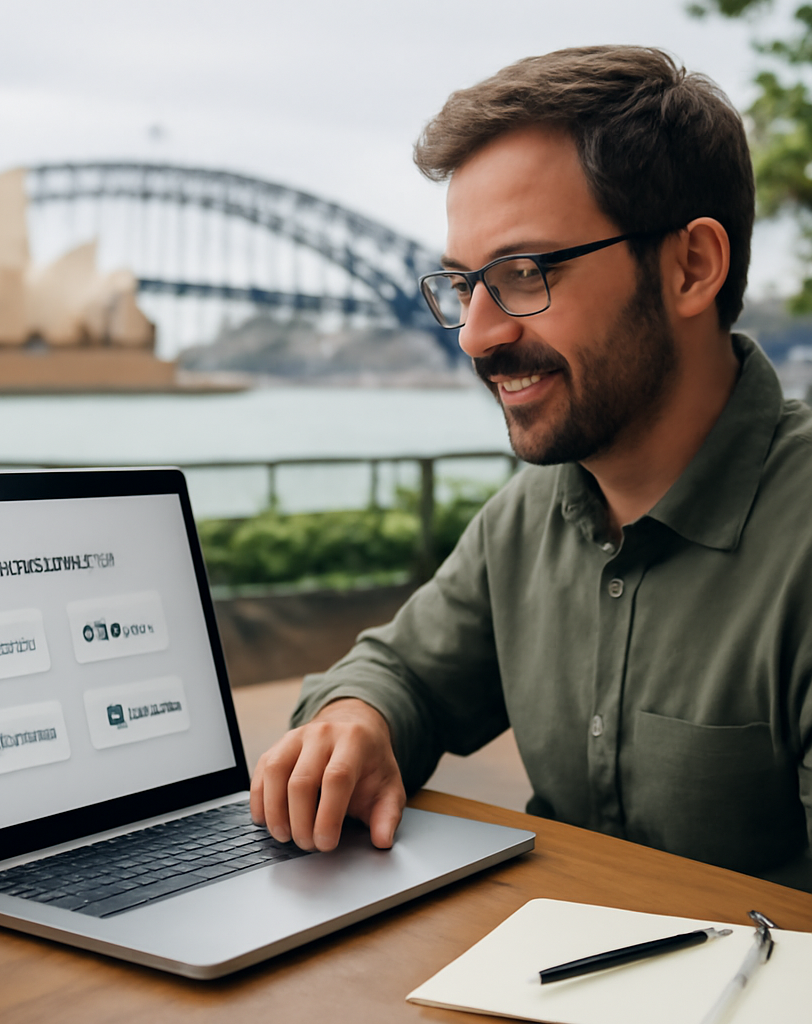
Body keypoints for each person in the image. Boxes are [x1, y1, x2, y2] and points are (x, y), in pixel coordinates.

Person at [249, 45, 812, 891]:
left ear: (691, 266)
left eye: (523, 274)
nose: (475, 334)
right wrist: (357, 718)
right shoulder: (531, 517)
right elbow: (402, 671)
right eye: (464, 284)